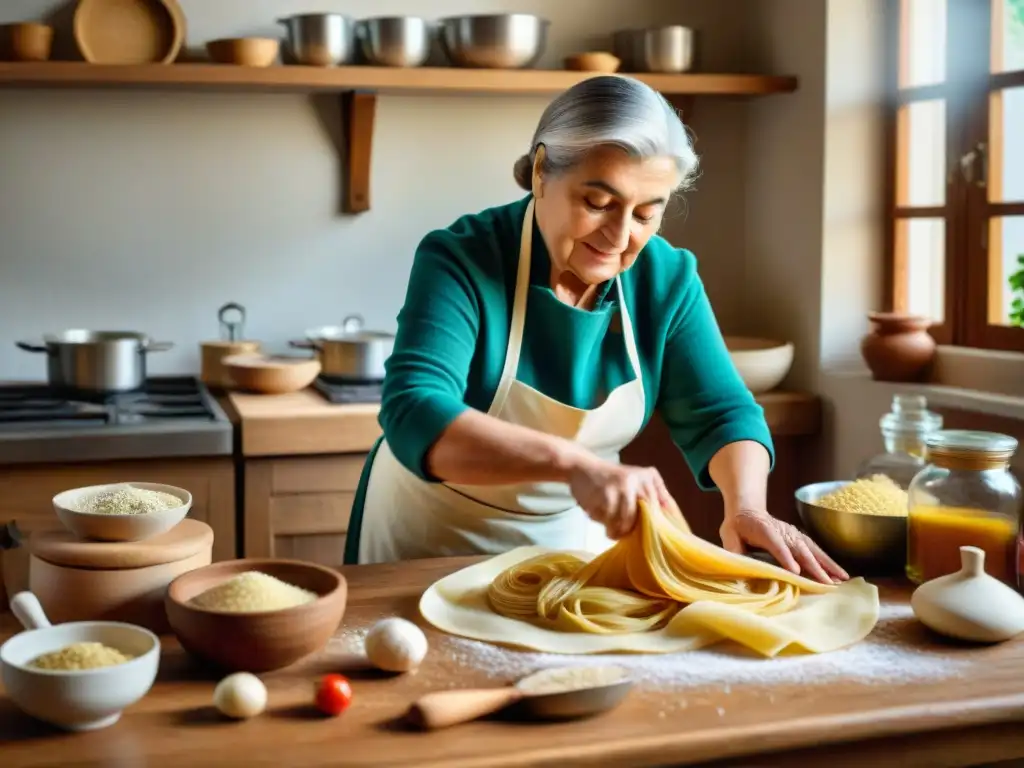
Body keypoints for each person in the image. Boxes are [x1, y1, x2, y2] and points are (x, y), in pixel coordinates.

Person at [343, 75, 847, 585]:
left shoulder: (665, 278)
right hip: (429, 542)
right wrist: (573, 463)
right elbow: (414, 408)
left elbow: (723, 411)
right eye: (599, 203)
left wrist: (747, 508)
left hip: (569, 548)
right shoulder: (462, 258)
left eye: (647, 214)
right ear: (542, 171)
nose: (620, 237)